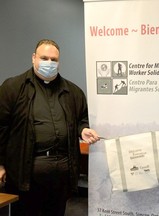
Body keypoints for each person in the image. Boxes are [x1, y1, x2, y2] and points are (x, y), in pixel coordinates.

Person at [0, 39, 100, 216]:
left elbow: (81, 120)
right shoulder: (13, 88)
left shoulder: (73, 92)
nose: (49, 63)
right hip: (25, 175)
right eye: (44, 58)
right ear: (33, 58)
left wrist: (83, 130)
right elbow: (1, 128)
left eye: (54, 60)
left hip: (61, 176)